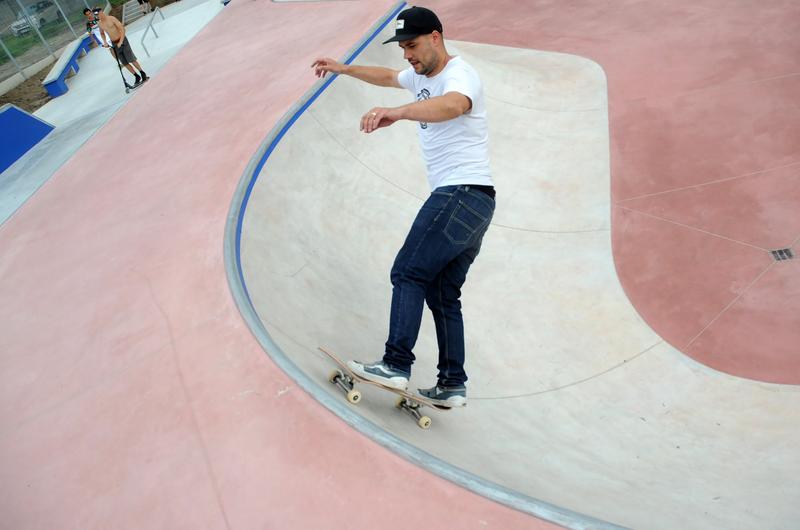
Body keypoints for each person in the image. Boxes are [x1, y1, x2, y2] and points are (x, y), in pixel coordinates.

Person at [312, 6, 495, 408]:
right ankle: (452, 383)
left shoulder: (459, 74)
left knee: (408, 272)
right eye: (403, 49)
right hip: (478, 203)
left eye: (412, 45)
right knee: (442, 293)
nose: (408, 56)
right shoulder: (418, 75)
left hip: (459, 193)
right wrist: (344, 69)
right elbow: (387, 77)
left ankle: (395, 364)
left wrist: (398, 112)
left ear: (435, 37)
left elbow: (453, 105)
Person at [96, 8, 149, 86]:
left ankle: (142, 73)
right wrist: (105, 42)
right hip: (114, 43)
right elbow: (102, 33)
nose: (97, 16)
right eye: (96, 15)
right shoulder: (100, 24)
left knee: (131, 59)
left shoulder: (111, 18)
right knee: (124, 62)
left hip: (122, 40)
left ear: (101, 12)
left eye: (98, 13)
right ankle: (136, 76)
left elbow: (122, 29)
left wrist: (121, 42)